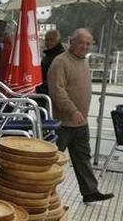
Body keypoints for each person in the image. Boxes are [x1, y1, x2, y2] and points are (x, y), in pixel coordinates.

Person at [47, 28, 114, 204]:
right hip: (62, 122)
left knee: (83, 157)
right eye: (81, 42)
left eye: (88, 43)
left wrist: (80, 113)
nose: (84, 46)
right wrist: (72, 110)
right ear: (72, 42)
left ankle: (90, 191)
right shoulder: (60, 62)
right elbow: (56, 90)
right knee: (52, 160)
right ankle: (42, 192)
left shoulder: (83, 61)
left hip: (80, 122)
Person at [35, 29, 65, 96]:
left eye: (51, 40)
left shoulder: (60, 58)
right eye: (46, 40)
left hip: (50, 94)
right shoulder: (48, 55)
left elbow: (55, 80)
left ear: (58, 41)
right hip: (43, 91)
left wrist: (36, 88)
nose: (48, 42)